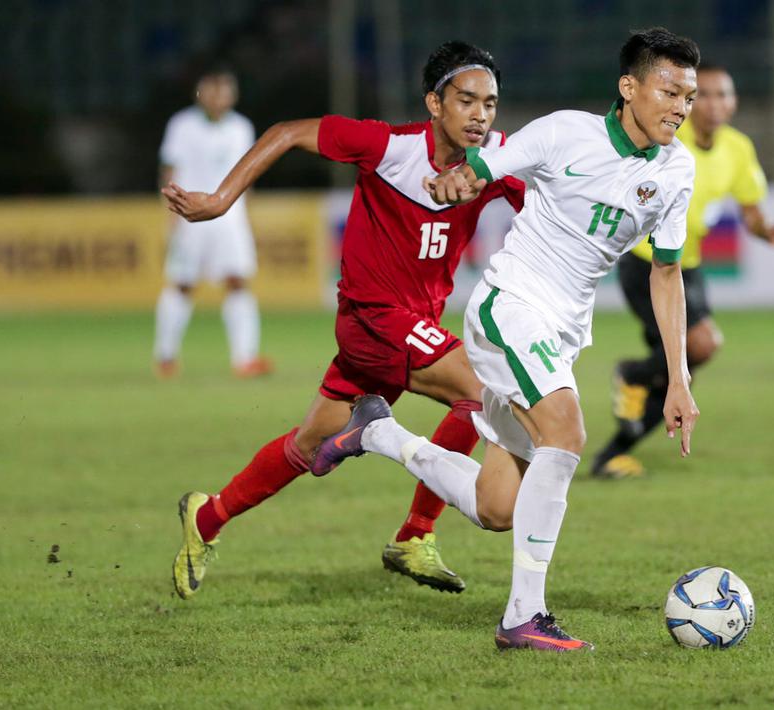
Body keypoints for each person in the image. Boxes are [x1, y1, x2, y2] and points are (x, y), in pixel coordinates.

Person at [313, 27, 702, 651]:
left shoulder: (677, 169)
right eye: (669, 91)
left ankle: (377, 431)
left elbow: (666, 273)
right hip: (510, 309)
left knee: (497, 507)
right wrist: (456, 181)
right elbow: (482, 165)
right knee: (566, 432)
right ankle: (524, 616)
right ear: (629, 88)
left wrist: (678, 378)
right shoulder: (563, 133)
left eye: (688, 96)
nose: (680, 108)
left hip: (563, 330)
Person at [162, 42, 526, 600]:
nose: (480, 115)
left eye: (490, 104)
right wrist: (220, 200)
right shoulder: (389, 146)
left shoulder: (493, 159)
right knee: (479, 391)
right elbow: (286, 132)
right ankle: (415, 533)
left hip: (407, 329)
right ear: (434, 103)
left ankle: (206, 518)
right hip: (372, 319)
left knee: (309, 447)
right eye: (467, 100)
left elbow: (546, 203)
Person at [591, 62, 774, 479]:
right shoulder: (667, 136)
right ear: (689, 101)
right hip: (647, 261)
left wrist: (766, 230)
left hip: (689, 264)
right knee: (698, 347)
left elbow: (751, 210)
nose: (716, 103)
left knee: (680, 376)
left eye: (725, 95)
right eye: (707, 95)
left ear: (734, 103)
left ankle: (610, 454)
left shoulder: (737, 148)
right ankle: (632, 374)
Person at [155, 67, 273, 379]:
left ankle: (245, 358)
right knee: (182, 283)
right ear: (200, 93)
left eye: (224, 91)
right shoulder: (182, 125)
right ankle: (165, 356)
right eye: (212, 90)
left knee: (237, 282)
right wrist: (171, 215)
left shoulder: (241, 127)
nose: (218, 97)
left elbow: (248, 175)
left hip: (230, 219)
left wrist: (248, 218)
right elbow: (169, 170)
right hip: (190, 217)